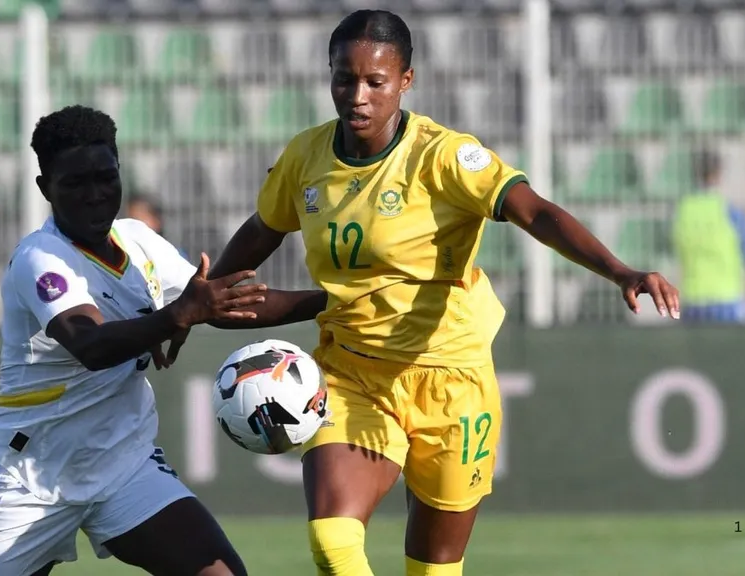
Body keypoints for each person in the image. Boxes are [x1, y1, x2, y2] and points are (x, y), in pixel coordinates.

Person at [205, 10, 682, 576]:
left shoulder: (444, 156)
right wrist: (197, 303)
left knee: (432, 569)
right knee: (333, 542)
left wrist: (620, 271)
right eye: (344, 79)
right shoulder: (305, 156)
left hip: (452, 379)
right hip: (354, 372)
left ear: (405, 80)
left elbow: (534, 212)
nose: (357, 96)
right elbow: (262, 230)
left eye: (375, 81)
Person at [0, 105, 272, 576]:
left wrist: (335, 300)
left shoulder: (138, 240)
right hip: (30, 476)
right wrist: (177, 315)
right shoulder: (40, 257)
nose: (95, 195)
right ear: (45, 188)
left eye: (106, 177)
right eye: (75, 184)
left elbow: (219, 302)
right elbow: (92, 346)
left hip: (122, 465)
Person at [672, 148, 745, 323]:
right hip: (726, 298)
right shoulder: (730, 211)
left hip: (693, 299)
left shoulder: (683, 210)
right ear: (718, 174)